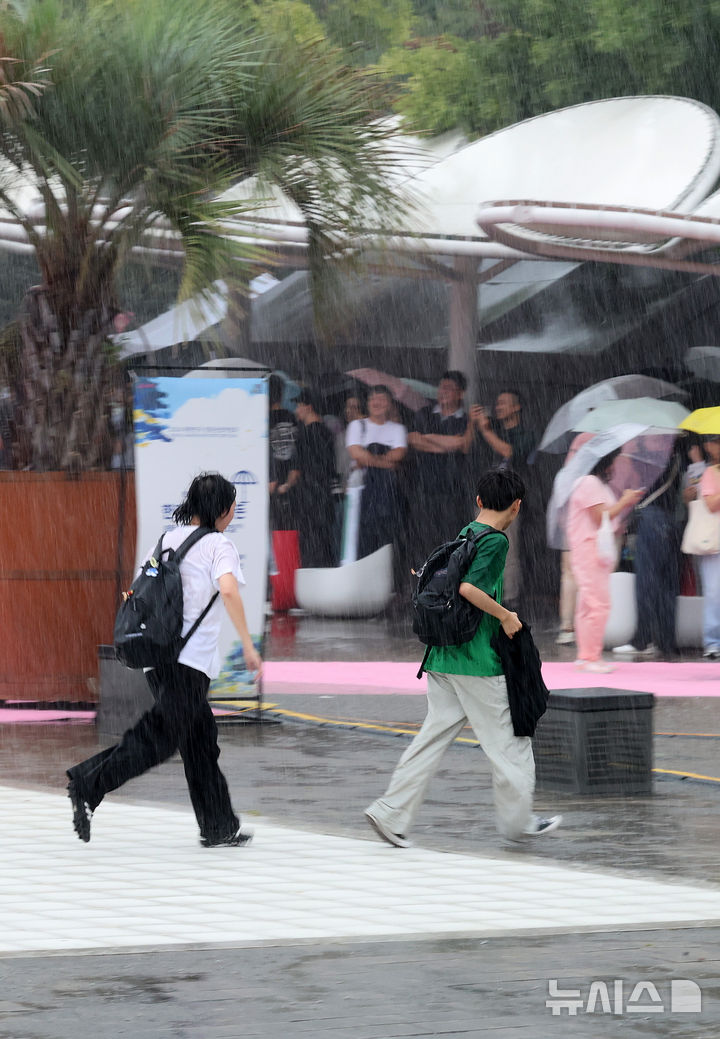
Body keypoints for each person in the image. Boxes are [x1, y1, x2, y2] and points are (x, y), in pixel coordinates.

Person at [365, 467, 562, 846]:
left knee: (430, 739)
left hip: (441, 658)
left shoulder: (464, 534)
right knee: (511, 742)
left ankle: (390, 812)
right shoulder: (496, 541)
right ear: (517, 506)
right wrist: (506, 615)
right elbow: (470, 588)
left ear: (478, 501)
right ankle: (519, 822)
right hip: (477, 662)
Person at [66, 472, 262, 846]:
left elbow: (140, 591)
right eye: (233, 502)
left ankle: (219, 826)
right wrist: (249, 648)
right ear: (224, 508)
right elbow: (229, 592)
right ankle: (88, 785)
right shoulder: (220, 546)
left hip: (159, 660)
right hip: (189, 665)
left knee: (200, 741)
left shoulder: (166, 541)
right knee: (156, 739)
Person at [567, 451, 644, 673]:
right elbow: (600, 516)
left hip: (592, 549)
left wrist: (624, 503)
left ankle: (587, 655)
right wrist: (625, 501)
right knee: (598, 604)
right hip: (589, 549)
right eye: (614, 462)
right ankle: (591, 656)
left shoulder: (592, 484)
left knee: (588, 605)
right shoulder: (590, 483)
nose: (616, 468)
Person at [612, 440, 684, 659]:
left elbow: (640, 487)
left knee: (647, 582)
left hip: (652, 521)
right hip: (671, 524)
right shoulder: (678, 458)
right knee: (666, 586)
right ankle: (665, 641)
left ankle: (642, 639)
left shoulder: (654, 461)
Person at [470, 390, 536, 608]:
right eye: (497, 403)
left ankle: (510, 598)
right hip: (486, 498)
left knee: (508, 548)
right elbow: (467, 447)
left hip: (510, 500)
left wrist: (485, 430)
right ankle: (482, 593)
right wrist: (474, 425)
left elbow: (509, 452)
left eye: (504, 403)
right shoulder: (491, 430)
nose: (499, 407)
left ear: (517, 407)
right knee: (480, 545)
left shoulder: (526, 433)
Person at [407, 370, 474, 564]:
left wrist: (428, 438)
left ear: (460, 393)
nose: (443, 392)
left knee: (452, 538)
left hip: (454, 488)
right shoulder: (424, 414)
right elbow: (413, 439)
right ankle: (423, 583)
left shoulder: (467, 420)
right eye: (441, 387)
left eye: (449, 388)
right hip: (423, 486)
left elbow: (463, 444)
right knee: (423, 538)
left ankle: (447, 584)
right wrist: (446, 445)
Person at [346, 385, 407, 561]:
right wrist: (386, 462)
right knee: (359, 536)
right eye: (372, 398)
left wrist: (368, 460)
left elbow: (399, 454)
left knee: (387, 537)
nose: (376, 402)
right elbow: (355, 453)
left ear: (389, 404)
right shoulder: (357, 426)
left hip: (388, 495)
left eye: (381, 399)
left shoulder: (397, 429)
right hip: (362, 491)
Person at [292, 387, 337, 568]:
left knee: (312, 539)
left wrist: (287, 485)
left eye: (299, 406)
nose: (296, 411)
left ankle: (314, 573)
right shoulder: (326, 431)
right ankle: (325, 573)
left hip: (310, 493)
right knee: (324, 537)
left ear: (308, 407)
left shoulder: (306, 434)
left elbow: (299, 468)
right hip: (323, 492)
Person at [697, 435, 720, 659]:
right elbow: (711, 504)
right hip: (715, 542)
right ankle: (713, 641)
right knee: (715, 593)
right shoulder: (711, 473)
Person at [268, 373, 299, 530]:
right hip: (292, 482)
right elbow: (297, 451)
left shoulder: (262, 419)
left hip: (271, 482)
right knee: (289, 529)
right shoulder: (293, 417)